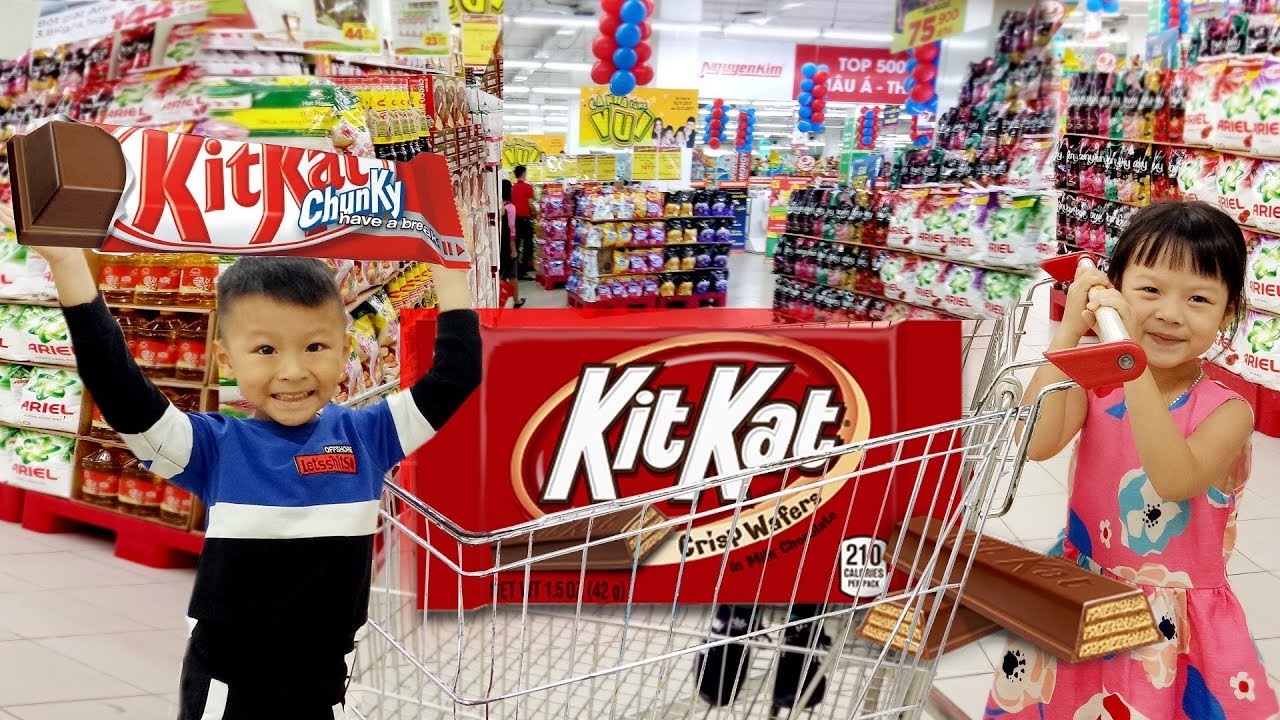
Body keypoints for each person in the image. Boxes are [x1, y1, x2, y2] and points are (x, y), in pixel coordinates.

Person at [32, 244, 481, 719]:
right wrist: (67, 264)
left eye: (315, 346)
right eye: (265, 350)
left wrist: (448, 261)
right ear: (227, 360)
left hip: (323, 683)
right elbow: (122, 393)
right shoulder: (214, 448)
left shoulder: (368, 436)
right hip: (229, 686)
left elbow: (457, 373)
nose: (292, 371)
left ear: (345, 351)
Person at [984, 201, 1277, 719]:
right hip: (1081, 591)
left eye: (1199, 299)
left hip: (1169, 623)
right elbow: (1038, 442)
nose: (1169, 312)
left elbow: (1173, 478)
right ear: (1114, 290)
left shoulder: (1228, 411)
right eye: (1149, 290)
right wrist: (1071, 330)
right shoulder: (1095, 383)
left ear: (1228, 312)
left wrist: (1126, 359)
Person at [500, 179, 524, 308]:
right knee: (512, 275)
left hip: (498, 245)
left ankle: (498, 303)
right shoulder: (510, 207)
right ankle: (516, 300)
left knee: (500, 275)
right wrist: (513, 249)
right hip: (508, 245)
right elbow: (512, 229)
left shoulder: (497, 206)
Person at [511, 165, 536, 279]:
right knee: (528, 246)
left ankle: (515, 270)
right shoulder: (528, 187)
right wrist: (536, 213)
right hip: (525, 220)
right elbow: (530, 204)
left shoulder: (513, 188)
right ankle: (523, 271)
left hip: (515, 220)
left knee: (516, 245)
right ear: (524, 174)